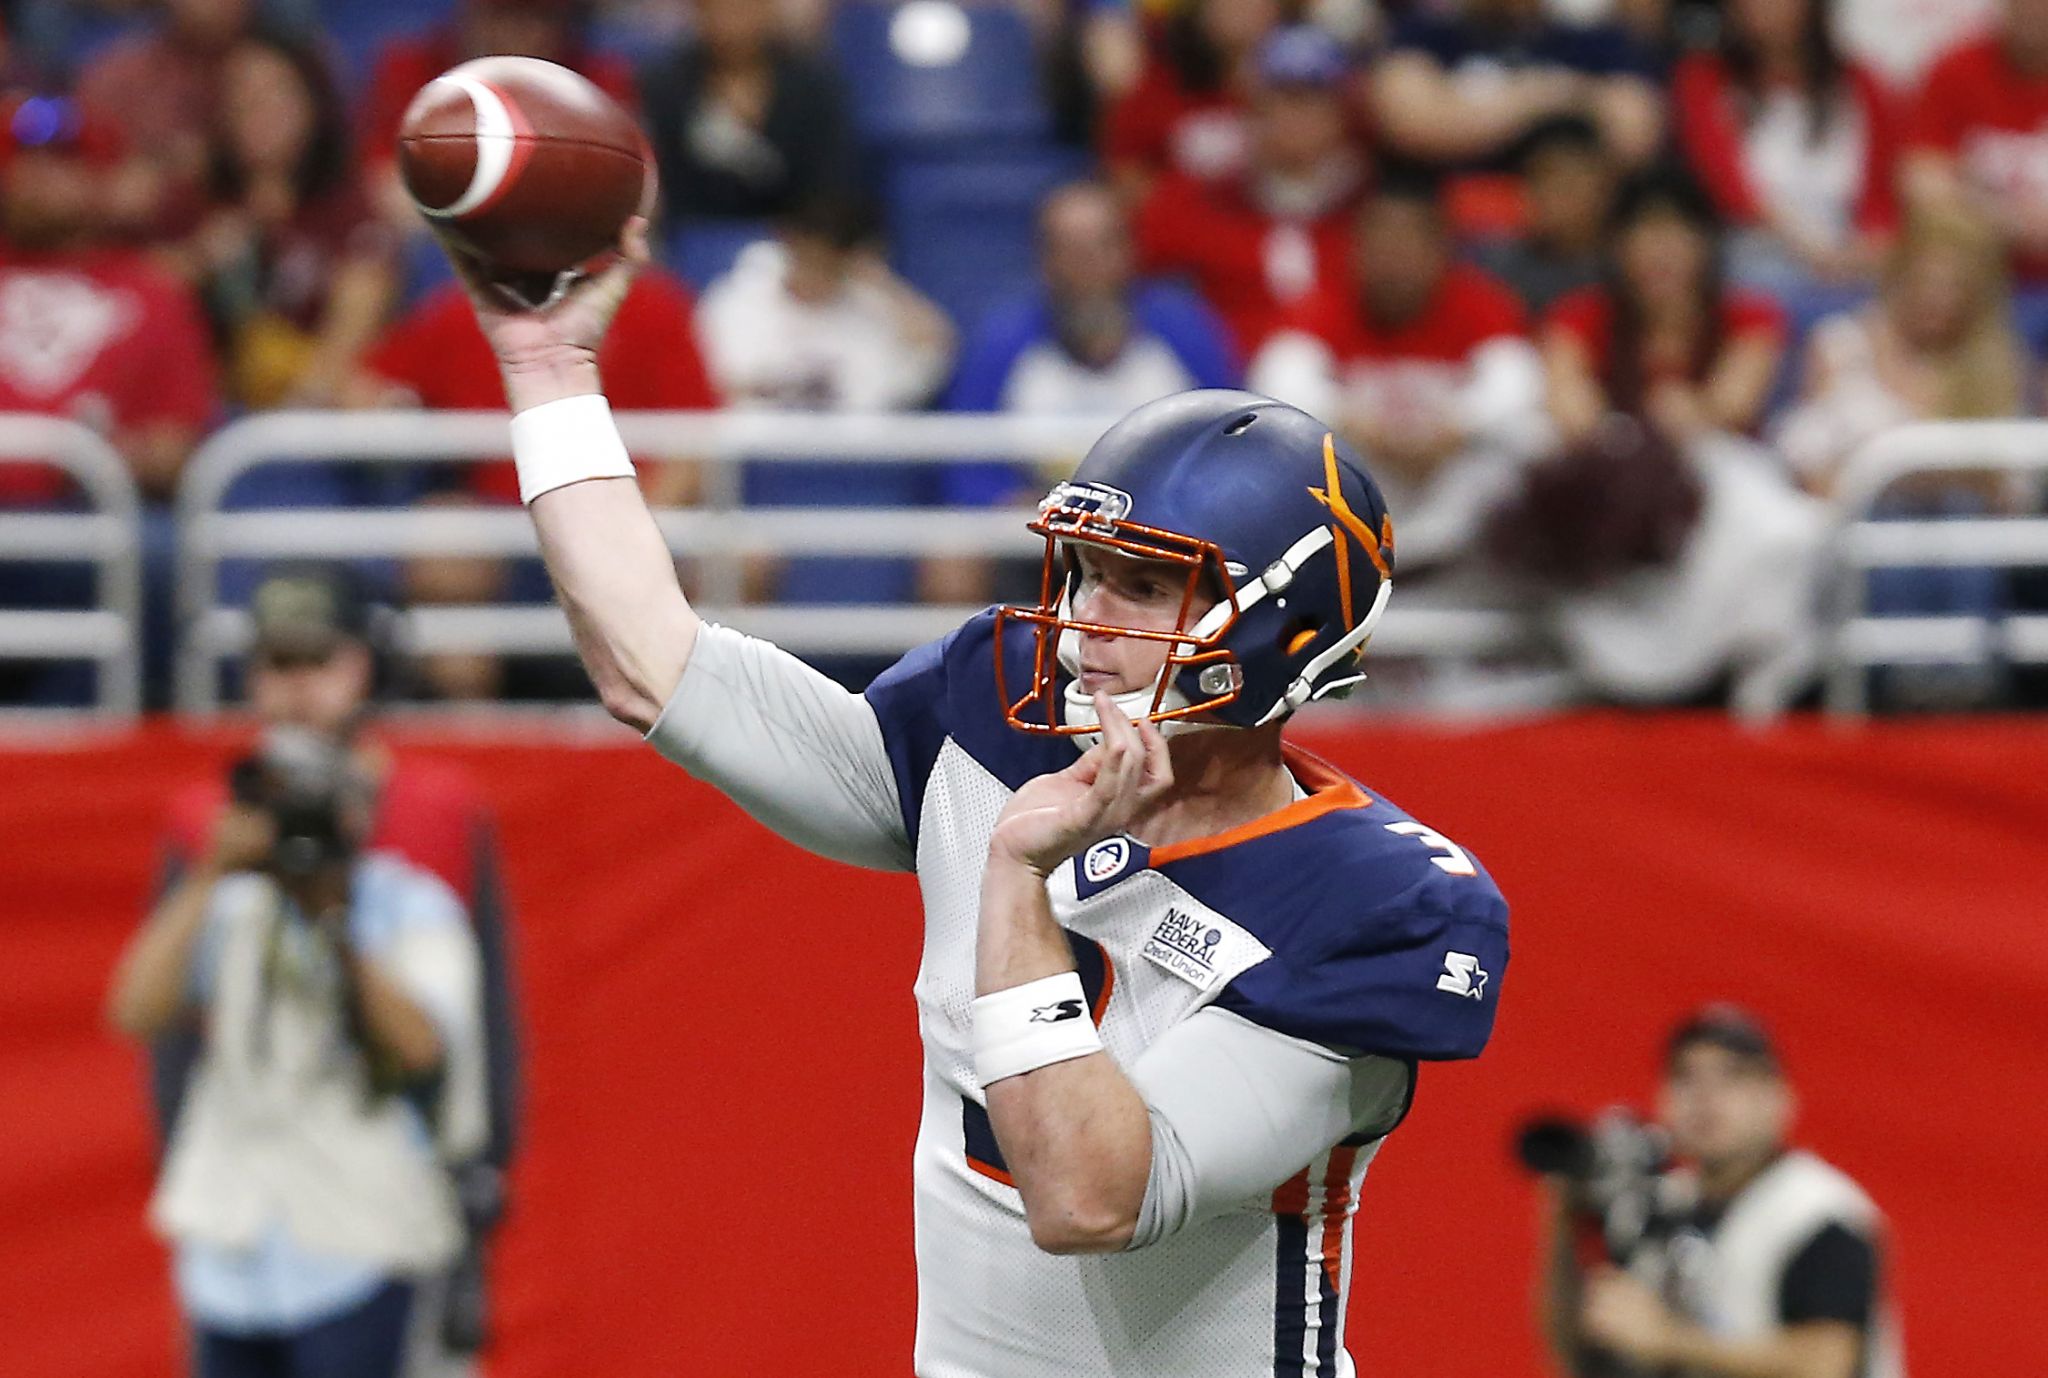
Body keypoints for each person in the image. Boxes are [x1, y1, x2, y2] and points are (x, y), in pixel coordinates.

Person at [433, 208, 1511, 1374]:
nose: (1086, 623)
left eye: (1144, 587)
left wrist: (1015, 875)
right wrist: (549, 373)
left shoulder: (1372, 901)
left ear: (1283, 629)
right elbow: (652, 666)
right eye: (1086, 571)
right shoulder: (997, 712)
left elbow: (1089, 1196)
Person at [154, 565, 526, 1361]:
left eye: (318, 662)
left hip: (386, 1194)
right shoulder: (213, 821)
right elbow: (170, 1032)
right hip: (247, 1197)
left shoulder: (435, 812)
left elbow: (485, 1016)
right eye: (275, 665)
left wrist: (484, 1171)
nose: (296, 690)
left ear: (366, 666)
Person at [109, 726, 487, 1378]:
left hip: (359, 1241)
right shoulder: (234, 908)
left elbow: (422, 1049)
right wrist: (207, 873)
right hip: (233, 1245)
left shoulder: (411, 906)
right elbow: (133, 1010)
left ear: (358, 813)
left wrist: (332, 919)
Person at [354, 269, 715, 700]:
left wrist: (628, 539)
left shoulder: (656, 305)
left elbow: (693, 445)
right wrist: (404, 415)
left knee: (740, 559)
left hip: (624, 516)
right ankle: (472, 734)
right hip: (504, 526)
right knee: (446, 544)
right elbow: (365, 388)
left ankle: (674, 736)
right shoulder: (470, 306)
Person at [1535, 1006, 1904, 1378]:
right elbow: (1583, 1356)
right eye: (1685, 1077)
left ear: (1779, 1100)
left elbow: (1825, 1365)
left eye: (1733, 1077)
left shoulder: (1815, 1214)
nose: (1705, 1096)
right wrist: (1566, 1222)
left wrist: (1669, 1338)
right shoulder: (1662, 1205)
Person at [1251, 171, 1547, 573]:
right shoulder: (1322, 305)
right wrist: (1356, 424)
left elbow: (1517, 385)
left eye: (1409, 244)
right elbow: (1278, 382)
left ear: (1440, 248)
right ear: (1357, 248)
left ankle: (1445, 563)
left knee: (1531, 437)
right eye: (1382, 244)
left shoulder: (1483, 304)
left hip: (1449, 489)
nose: (1395, 259)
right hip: (1358, 487)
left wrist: (1456, 428)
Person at [933, 179, 1239, 524]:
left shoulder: (1185, 332)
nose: (1087, 266)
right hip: (1034, 529)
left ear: (1130, 251)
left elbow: (1230, 447)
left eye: (1101, 246)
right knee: (952, 561)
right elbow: (967, 468)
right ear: (1044, 260)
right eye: (1070, 250)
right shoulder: (1000, 342)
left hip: (1162, 529)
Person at [183, 31, 396, 409]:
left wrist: (302, 391)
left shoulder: (347, 207)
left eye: (274, 91)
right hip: (207, 410)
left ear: (311, 103)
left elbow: (358, 313)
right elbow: (143, 295)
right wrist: (196, 264)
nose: (257, 107)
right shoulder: (196, 202)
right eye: (242, 94)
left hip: (313, 405)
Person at [1134, 23, 1368, 357]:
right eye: (1281, 99)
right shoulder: (1200, 201)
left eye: (1312, 100)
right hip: (1224, 386)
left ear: (1341, 114)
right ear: (1252, 108)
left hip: (1342, 386)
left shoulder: (1371, 210)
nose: (1295, 117)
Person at [1542, 170, 1788, 448]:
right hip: (1610, 458)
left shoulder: (1749, 316)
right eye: (1645, 236)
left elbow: (1735, 404)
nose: (1660, 253)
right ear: (1617, 249)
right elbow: (1567, 400)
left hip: (1716, 455)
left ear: (1705, 244)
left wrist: (1696, 412)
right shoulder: (1579, 315)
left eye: (1675, 235)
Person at [1671, 0, 1901, 291]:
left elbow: (1882, 194)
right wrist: (1810, 248)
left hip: (1850, 260)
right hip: (1750, 259)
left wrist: (1864, 250)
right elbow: (1727, 185)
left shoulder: (1861, 83)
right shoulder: (1703, 77)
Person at [357, 0, 638, 230]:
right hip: (440, 250)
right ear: (471, 16)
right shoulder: (410, 66)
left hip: (555, 246)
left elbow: (637, 196)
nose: (519, 34)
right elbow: (388, 191)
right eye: (502, 17)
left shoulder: (598, 80)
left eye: (537, 19)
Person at [1369, 0, 1663, 173]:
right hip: (1453, 225)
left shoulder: (1594, 42)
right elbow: (1413, 125)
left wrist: (1466, 109)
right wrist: (1557, 95)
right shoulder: (1426, 34)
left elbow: (1635, 135)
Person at [638, 0, 858, 224]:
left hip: (792, 241)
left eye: (746, 7)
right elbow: (658, 182)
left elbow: (828, 187)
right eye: (720, 7)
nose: (733, 20)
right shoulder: (665, 85)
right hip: (687, 238)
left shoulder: (813, 87)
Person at [73, 0, 269, 240]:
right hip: (133, 252)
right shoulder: (120, 76)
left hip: (253, 243)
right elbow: (78, 183)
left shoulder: (282, 72)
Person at [1902, 0, 2048, 289]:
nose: (2033, 10)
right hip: (1974, 283)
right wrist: (2007, 220)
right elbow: (1921, 182)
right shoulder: (1957, 67)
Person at [1100, 0, 1282, 199]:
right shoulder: (1160, 82)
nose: (1240, 7)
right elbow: (1128, 174)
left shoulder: (1303, 89)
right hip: (1177, 221)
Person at [1472, 115, 1620, 317]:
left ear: (1606, 185)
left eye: (1571, 182)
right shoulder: (1494, 270)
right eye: (1545, 179)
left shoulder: (1626, 271)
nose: (1559, 196)